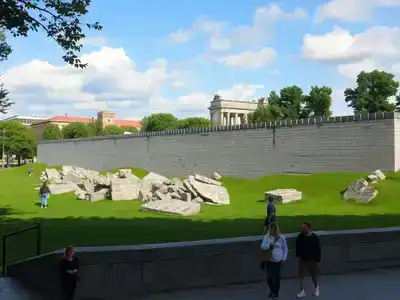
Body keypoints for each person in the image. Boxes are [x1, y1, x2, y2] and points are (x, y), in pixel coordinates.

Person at [260, 222, 288, 300]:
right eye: (270, 229)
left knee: (277, 277)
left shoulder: (281, 237)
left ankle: (276, 293)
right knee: (269, 277)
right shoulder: (267, 237)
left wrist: (283, 258)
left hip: (278, 260)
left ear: (276, 230)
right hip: (269, 260)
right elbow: (262, 247)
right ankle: (272, 291)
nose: (271, 231)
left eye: (273, 230)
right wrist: (269, 245)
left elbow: (285, 248)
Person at [296, 221, 321, 298]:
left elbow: (318, 249)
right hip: (303, 259)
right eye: (301, 227)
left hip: (312, 259)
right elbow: (297, 246)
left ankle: (317, 288)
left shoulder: (315, 237)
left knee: (314, 275)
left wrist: (317, 258)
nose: (302, 229)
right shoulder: (300, 236)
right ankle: (302, 291)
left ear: (308, 228)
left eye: (304, 227)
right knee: (301, 276)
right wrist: (298, 255)